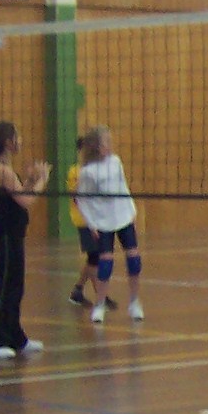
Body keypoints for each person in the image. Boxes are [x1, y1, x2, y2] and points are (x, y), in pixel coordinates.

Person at [0, 121, 48, 361]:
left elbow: (19, 193)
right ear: (8, 143)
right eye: (17, 137)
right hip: (6, 234)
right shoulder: (2, 170)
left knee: (16, 286)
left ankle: (16, 336)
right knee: (6, 286)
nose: (20, 141)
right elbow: (25, 201)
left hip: (14, 233)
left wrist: (30, 181)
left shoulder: (7, 169)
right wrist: (42, 180)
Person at [76, 125, 144, 324]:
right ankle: (99, 305)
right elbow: (81, 199)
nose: (110, 145)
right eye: (106, 142)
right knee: (105, 263)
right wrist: (91, 224)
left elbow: (123, 187)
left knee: (134, 259)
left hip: (123, 216)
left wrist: (131, 210)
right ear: (97, 147)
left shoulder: (115, 162)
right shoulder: (88, 172)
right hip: (103, 220)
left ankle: (134, 302)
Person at [65, 135, 99, 310]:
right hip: (83, 219)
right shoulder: (75, 171)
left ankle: (78, 290)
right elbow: (76, 196)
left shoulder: (95, 170)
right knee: (95, 256)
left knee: (94, 256)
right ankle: (101, 296)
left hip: (96, 219)